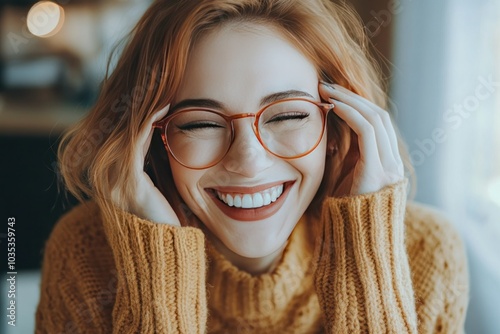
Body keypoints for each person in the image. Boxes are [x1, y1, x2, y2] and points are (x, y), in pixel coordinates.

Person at [35, 0, 469, 333]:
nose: (248, 161)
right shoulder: (86, 254)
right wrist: (155, 271)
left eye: (287, 115)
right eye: (201, 123)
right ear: (151, 143)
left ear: (338, 128)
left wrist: (369, 267)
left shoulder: (425, 253)